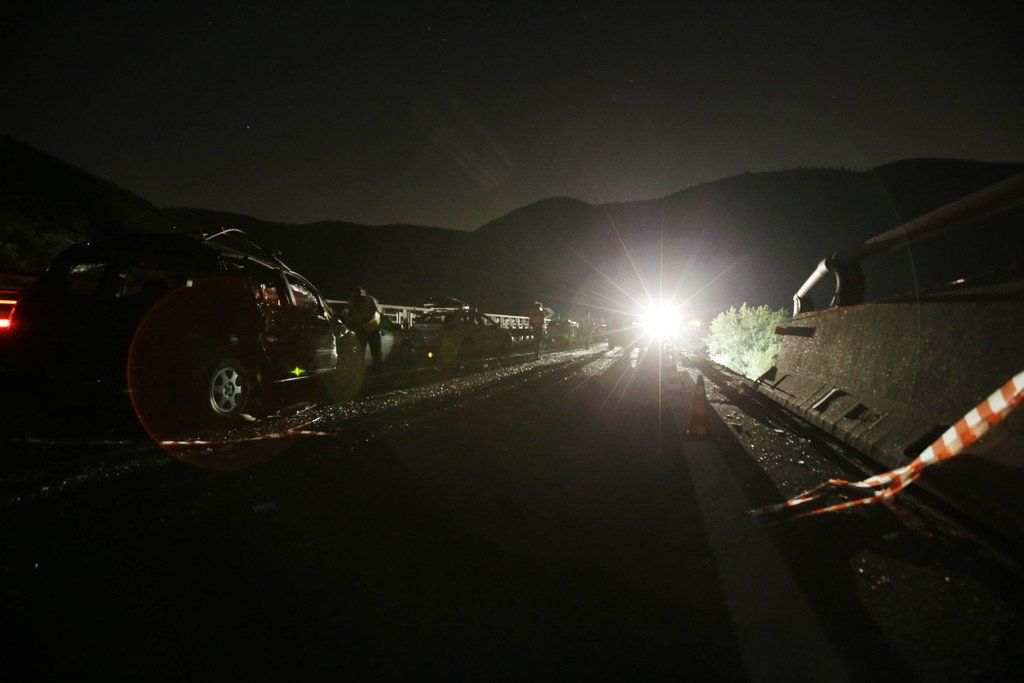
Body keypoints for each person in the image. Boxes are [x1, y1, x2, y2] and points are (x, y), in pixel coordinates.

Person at [344, 285, 383, 377]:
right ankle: (377, 372)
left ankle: (362, 372)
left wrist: (352, 327)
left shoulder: (351, 303)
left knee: (362, 352)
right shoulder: (368, 299)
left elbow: (348, 317)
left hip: (362, 330)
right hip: (370, 330)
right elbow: (375, 313)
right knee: (375, 352)